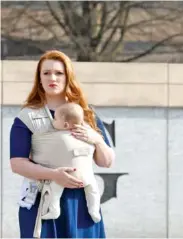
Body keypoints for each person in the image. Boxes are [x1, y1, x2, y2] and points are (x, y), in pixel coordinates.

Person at [10, 50, 115, 238]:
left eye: (59, 73)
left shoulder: (86, 114)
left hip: (82, 205)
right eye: (46, 73)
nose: (53, 77)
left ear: (68, 76)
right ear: (39, 78)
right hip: (42, 202)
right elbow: (17, 163)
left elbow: (106, 162)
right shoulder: (27, 117)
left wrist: (97, 139)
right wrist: (54, 175)